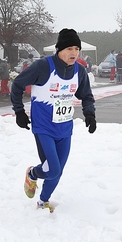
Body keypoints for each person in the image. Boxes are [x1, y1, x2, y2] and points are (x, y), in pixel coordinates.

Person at [10, 28, 96, 211]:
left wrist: (90, 114)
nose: (74, 53)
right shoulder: (43, 66)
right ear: (59, 49)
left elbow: (86, 95)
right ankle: (33, 173)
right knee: (53, 169)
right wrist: (19, 111)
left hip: (65, 129)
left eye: (77, 49)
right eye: (69, 48)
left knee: (57, 171)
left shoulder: (79, 71)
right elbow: (17, 85)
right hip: (44, 128)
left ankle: (43, 201)